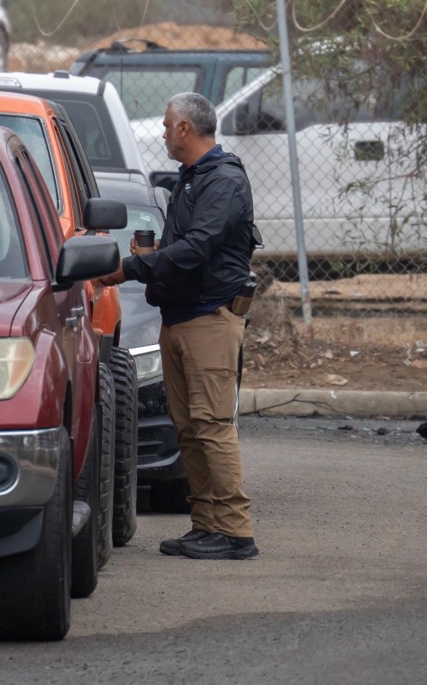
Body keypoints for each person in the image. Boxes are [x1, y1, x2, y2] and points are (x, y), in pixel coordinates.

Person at [104, 91, 259, 560]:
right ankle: (206, 523)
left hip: (210, 318)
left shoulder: (224, 180)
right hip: (181, 317)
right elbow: (186, 250)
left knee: (212, 424)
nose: (166, 134)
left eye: (170, 126)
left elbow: (198, 248)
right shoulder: (193, 178)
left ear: (186, 129)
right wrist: (151, 260)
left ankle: (234, 533)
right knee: (189, 427)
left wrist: (132, 268)